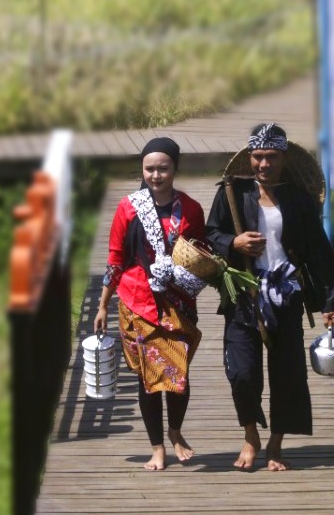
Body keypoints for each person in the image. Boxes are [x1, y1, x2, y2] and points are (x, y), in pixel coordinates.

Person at [206, 122, 334, 471]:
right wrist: (233, 244)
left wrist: (330, 302)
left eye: (271, 158)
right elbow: (211, 235)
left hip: (286, 294)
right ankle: (250, 434)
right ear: (249, 157)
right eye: (257, 157)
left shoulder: (298, 200)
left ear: (284, 159)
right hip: (243, 292)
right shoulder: (233, 194)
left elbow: (318, 251)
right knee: (242, 371)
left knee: (289, 373)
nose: (263, 164)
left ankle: (276, 444)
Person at [94, 137, 208, 471]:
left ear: (175, 169)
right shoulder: (128, 207)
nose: (155, 175)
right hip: (137, 301)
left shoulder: (190, 209)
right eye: (149, 169)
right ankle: (157, 447)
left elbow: (199, 254)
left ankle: (174, 430)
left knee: (177, 373)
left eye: (163, 168)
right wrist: (102, 305)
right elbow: (116, 258)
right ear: (141, 170)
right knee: (148, 377)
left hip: (177, 302)